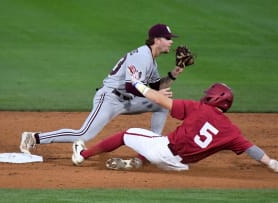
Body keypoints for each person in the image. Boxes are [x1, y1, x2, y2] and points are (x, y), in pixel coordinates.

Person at [20, 23, 192, 154]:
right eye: (168, 38)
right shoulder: (142, 55)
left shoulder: (151, 60)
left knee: (162, 104)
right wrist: (154, 94)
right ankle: (34, 137)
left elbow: (154, 86)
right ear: (157, 40)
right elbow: (131, 86)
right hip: (110, 98)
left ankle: (154, 146)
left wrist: (174, 74)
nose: (171, 42)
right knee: (84, 134)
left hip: (128, 101)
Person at [71, 76, 278, 173]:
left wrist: (138, 85)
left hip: (162, 151)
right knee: (159, 141)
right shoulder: (232, 132)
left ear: (214, 98)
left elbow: (162, 100)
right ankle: (138, 162)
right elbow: (252, 150)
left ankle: (83, 154)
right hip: (178, 166)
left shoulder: (199, 108)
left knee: (127, 134)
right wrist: (274, 165)